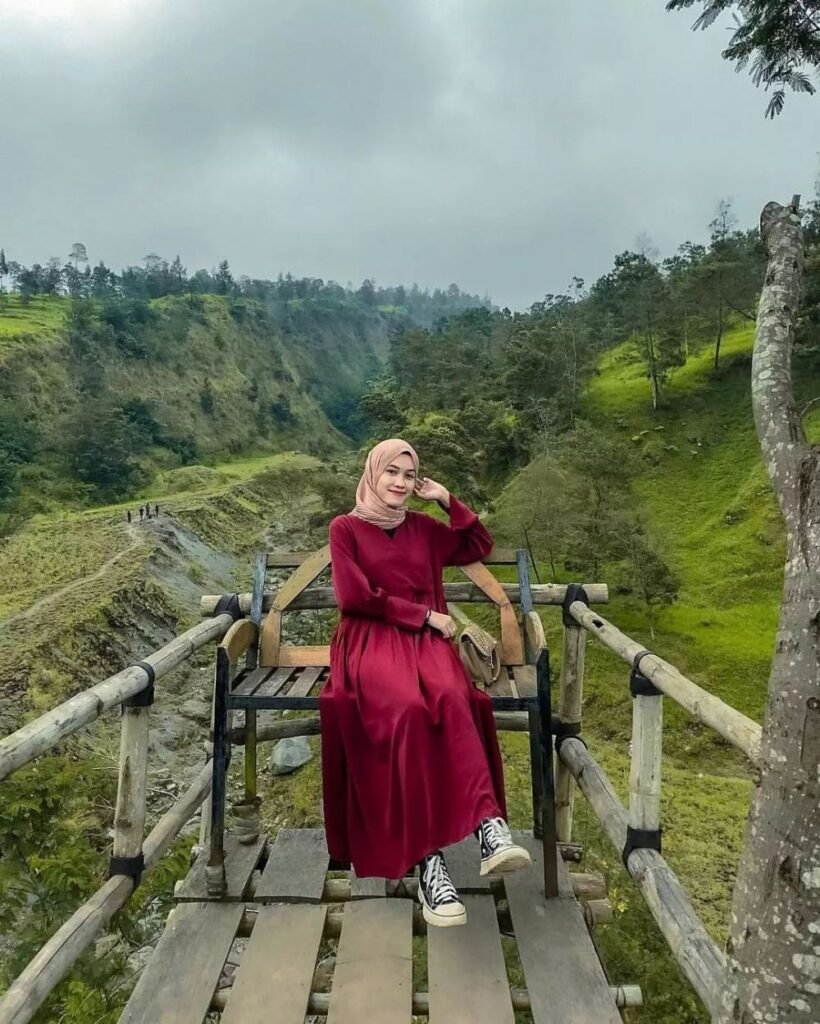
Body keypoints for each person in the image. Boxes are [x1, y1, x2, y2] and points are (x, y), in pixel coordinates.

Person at [319, 438, 530, 929]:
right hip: (371, 641)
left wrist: (446, 499)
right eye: (391, 471)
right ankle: (428, 864)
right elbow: (354, 598)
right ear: (373, 472)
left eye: (409, 475)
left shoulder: (423, 528)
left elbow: (477, 544)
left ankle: (488, 827)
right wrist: (425, 616)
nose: (399, 482)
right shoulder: (345, 528)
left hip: (426, 643)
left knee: (454, 697)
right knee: (407, 711)